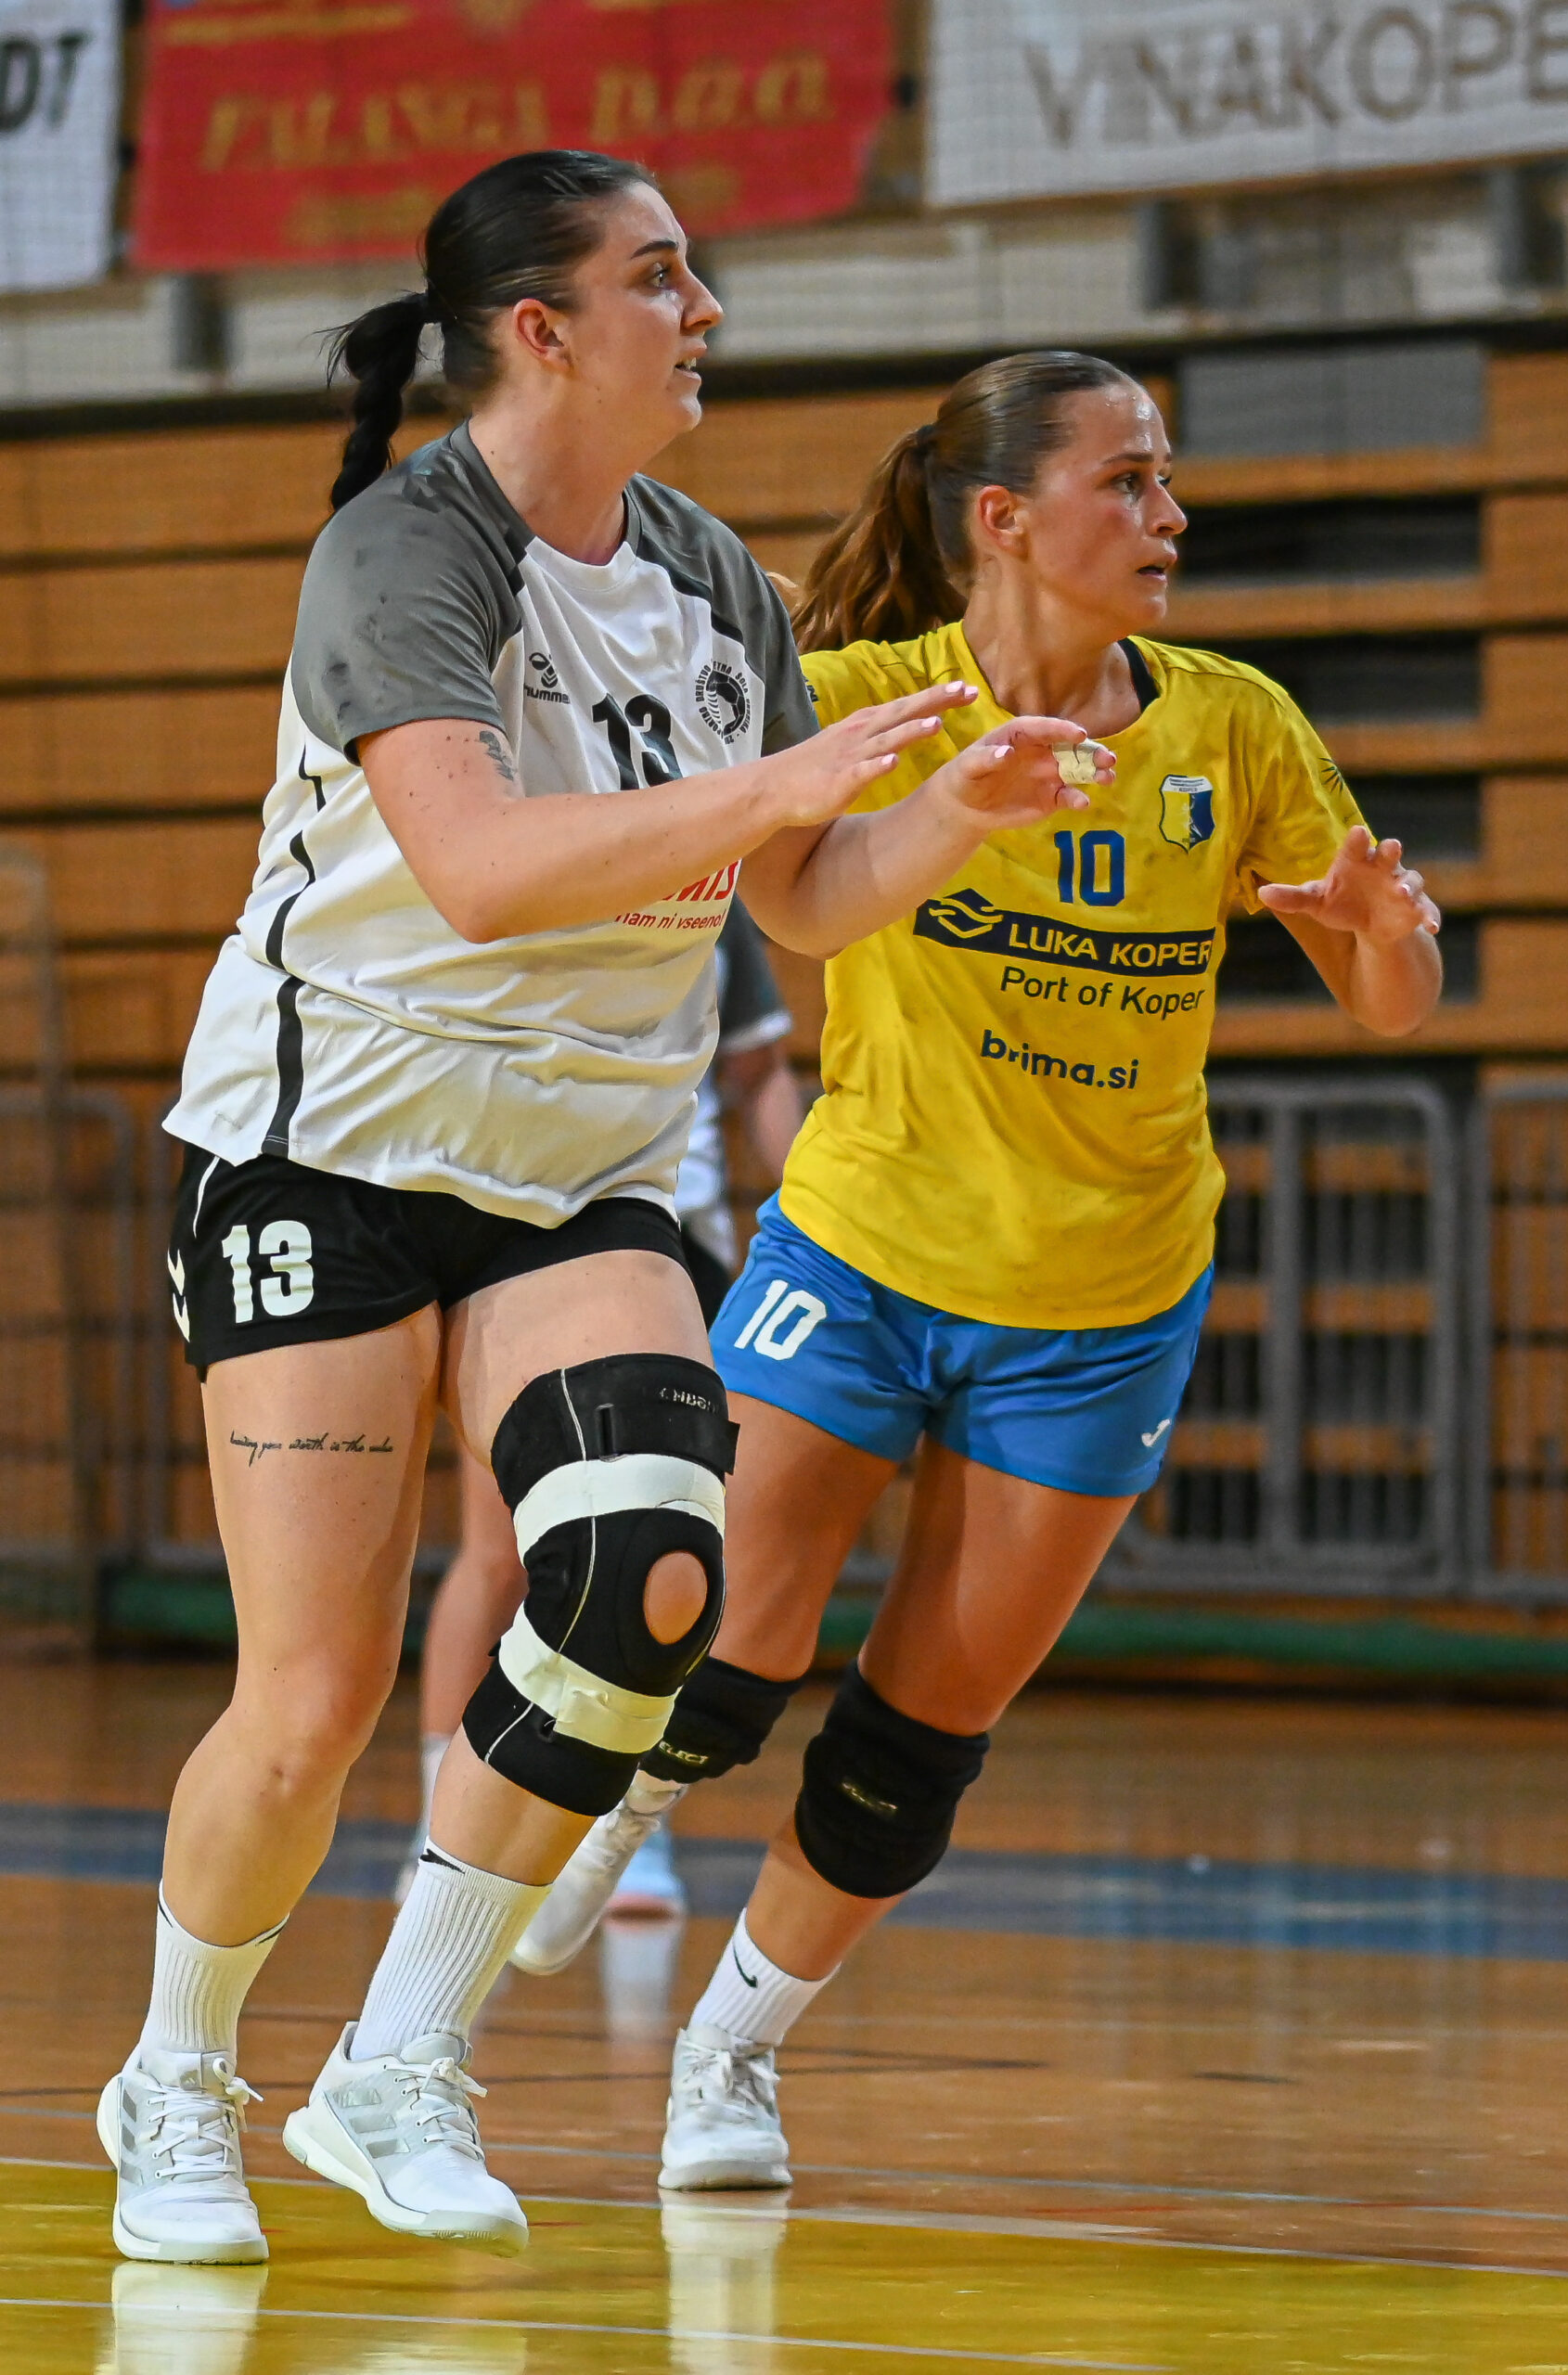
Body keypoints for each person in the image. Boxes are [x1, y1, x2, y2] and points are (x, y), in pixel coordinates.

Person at [97, 156, 1104, 2267]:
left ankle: (396, 2059)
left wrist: (941, 809)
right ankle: (174, 2075)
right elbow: (477, 866)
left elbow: (797, 894)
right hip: (328, 1154)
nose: (704, 307)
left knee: (646, 1579)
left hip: (578, 1173)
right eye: (661, 277)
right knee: (309, 1699)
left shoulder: (708, 573)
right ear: (540, 331)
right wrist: (782, 786)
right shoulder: (407, 549)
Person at [510, 349, 1445, 2189]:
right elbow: (768, 900)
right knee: (721, 1608)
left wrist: (1385, 935)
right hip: (865, 1245)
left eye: (1166, 482)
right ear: (1005, 519)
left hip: (1100, 1302)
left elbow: (1388, 999)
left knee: (916, 1732)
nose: (1172, 515)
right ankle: (639, 1796)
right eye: (1132, 482)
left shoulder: (1233, 726)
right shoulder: (865, 700)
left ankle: (728, 2054)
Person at [402, 900, 803, 1920]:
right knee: (501, 1552)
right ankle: (440, 1829)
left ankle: (615, 1836)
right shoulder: (516, 871)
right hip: (520, 1229)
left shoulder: (716, 889)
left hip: (670, 1244)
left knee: (667, 1558)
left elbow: (759, 1072)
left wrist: (812, 1209)